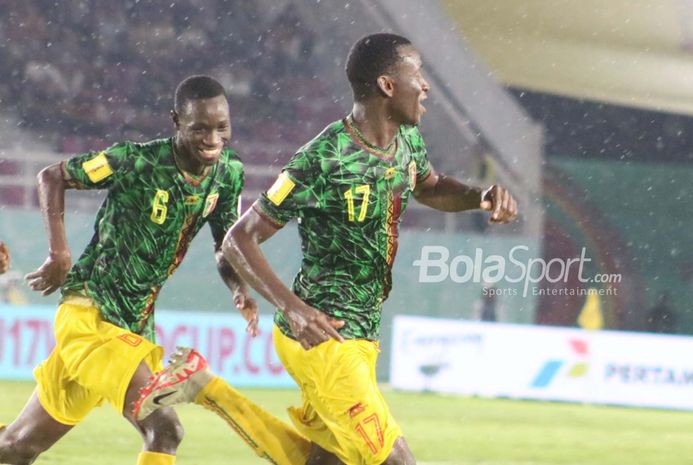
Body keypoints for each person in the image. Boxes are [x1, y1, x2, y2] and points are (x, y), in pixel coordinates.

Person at [135, 33, 518, 465]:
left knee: (322, 463)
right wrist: (295, 309)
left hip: (360, 336)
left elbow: (429, 185)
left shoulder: (406, 140)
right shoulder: (322, 158)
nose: (426, 85)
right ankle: (208, 389)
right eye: (418, 74)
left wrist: (479, 195)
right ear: (388, 85)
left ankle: (207, 388)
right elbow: (239, 238)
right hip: (325, 335)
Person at [0, 75, 258, 465]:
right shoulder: (138, 160)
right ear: (176, 121)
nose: (212, 139)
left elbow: (226, 243)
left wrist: (238, 287)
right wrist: (59, 253)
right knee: (165, 427)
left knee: (19, 446)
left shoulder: (229, 173)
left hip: (133, 325)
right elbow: (51, 176)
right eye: (199, 128)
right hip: (90, 316)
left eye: (222, 127)